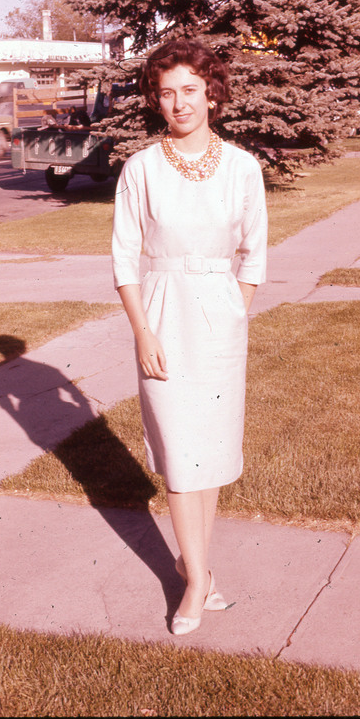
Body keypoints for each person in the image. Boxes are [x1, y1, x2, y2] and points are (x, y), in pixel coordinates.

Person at [111, 39, 267, 635]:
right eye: (167, 92)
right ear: (157, 99)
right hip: (163, 314)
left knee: (210, 448)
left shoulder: (242, 168)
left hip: (220, 316)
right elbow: (125, 260)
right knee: (179, 451)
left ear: (212, 94)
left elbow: (254, 253)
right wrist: (142, 330)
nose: (179, 103)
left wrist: (235, 310)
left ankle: (197, 565)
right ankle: (198, 581)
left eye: (190, 90)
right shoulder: (142, 169)